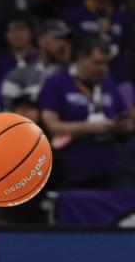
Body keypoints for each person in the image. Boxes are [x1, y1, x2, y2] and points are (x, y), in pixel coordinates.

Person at [39, 36, 130, 188]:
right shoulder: (56, 83)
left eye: (106, 63)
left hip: (109, 170)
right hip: (71, 172)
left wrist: (122, 125)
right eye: (97, 63)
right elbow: (52, 127)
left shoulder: (108, 83)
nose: (103, 69)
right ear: (81, 57)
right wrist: (94, 128)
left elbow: (127, 120)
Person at [1, 19, 71, 106]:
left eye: (66, 39)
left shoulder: (75, 74)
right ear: (41, 40)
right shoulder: (18, 74)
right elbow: (8, 112)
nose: (63, 44)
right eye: (57, 38)